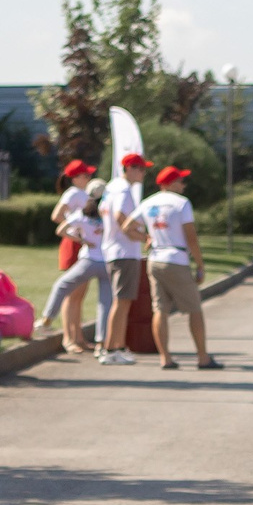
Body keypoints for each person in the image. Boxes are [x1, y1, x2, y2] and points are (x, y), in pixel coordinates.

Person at [142, 165, 222, 370]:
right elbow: (191, 237)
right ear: (169, 184)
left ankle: (165, 358)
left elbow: (126, 226)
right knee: (194, 309)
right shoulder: (181, 203)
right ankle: (203, 357)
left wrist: (145, 238)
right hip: (176, 259)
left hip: (155, 257)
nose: (183, 185)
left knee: (160, 310)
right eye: (180, 181)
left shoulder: (148, 202)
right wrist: (200, 265)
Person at [96, 151, 151, 365]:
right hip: (123, 253)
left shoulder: (112, 187)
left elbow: (108, 214)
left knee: (123, 301)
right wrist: (143, 236)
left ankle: (116, 347)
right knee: (122, 302)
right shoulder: (123, 189)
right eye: (140, 168)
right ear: (129, 169)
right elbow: (120, 217)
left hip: (116, 251)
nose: (143, 173)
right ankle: (110, 349)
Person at [41, 176, 107, 353]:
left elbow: (62, 224)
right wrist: (81, 237)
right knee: (75, 296)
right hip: (84, 253)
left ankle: (75, 336)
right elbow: (57, 217)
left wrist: (82, 236)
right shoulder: (75, 196)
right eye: (84, 174)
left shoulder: (85, 211)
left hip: (85, 254)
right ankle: (71, 339)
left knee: (76, 295)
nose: (87, 176)